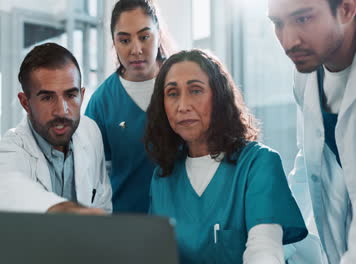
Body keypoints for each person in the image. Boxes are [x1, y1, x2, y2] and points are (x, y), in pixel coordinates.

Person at [145, 49, 308, 264]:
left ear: (219, 97)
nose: (183, 106)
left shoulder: (258, 164)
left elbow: (264, 252)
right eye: (172, 93)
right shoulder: (163, 177)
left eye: (195, 90)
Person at [267, 0, 356, 263]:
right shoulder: (306, 74)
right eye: (277, 23)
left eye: (303, 19)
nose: (288, 41)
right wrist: (281, 244)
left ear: (346, 10)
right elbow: (312, 165)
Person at [0, 43, 112, 214]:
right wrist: (66, 212)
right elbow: (4, 186)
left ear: (82, 95)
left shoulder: (90, 131)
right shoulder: (10, 150)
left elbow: (102, 202)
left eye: (71, 95)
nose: (62, 111)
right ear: (25, 103)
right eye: (48, 97)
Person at [85, 0, 173, 213]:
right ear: (114, 43)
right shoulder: (102, 102)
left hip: (186, 225)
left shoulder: (183, 84)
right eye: (124, 40)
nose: (136, 49)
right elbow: (91, 178)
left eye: (144, 37)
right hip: (126, 225)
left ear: (158, 33)